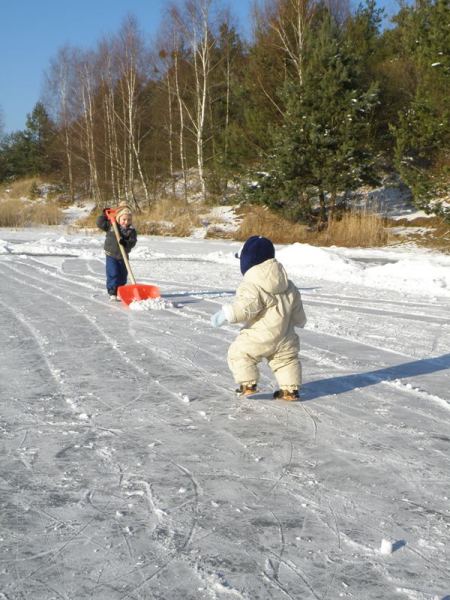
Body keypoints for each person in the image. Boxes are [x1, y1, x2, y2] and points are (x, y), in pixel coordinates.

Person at [211, 235, 306, 401]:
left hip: (259, 335)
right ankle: (290, 391)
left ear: (248, 262)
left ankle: (248, 384)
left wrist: (226, 314)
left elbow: (246, 307)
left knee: (239, 353)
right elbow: (296, 307)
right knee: (286, 360)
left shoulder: (252, 284)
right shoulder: (289, 285)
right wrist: (300, 320)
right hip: (285, 335)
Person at [96, 203, 137, 301]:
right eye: (124, 219)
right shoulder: (111, 225)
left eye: (129, 219)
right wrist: (104, 215)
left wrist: (125, 243)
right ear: (118, 218)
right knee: (113, 273)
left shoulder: (131, 231)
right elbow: (99, 223)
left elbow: (132, 242)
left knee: (123, 275)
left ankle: (120, 290)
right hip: (111, 254)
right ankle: (113, 292)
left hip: (123, 256)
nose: (126, 222)